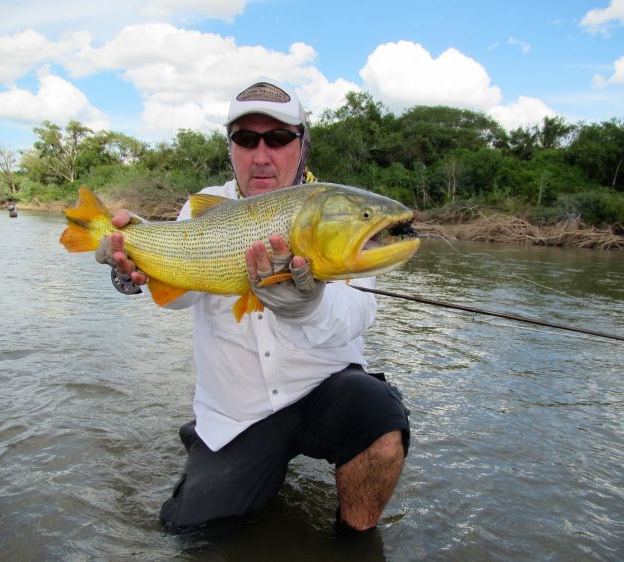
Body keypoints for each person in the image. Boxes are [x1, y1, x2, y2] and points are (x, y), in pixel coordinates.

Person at [96, 80, 410, 535]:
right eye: (246, 139)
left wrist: (307, 306)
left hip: (324, 393)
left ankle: (354, 543)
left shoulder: (335, 211)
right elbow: (177, 296)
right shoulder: (203, 208)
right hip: (237, 414)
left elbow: (356, 316)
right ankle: (207, 445)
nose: (261, 155)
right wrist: (129, 269)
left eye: (279, 138)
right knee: (190, 533)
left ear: (303, 143)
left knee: (379, 422)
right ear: (231, 148)